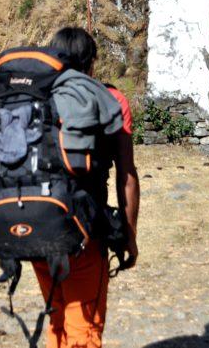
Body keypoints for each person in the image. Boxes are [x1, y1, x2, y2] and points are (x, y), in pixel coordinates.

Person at [31, 27, 140, 348]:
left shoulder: (35, 97)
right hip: (82, 235)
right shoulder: (111, 99)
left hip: (34, 228)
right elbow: (127, 176)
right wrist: (129, 236)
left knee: (58, 321)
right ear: (92, 63)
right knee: (84, 330)